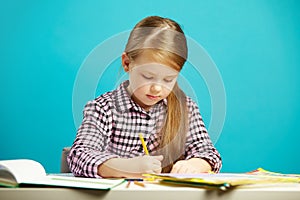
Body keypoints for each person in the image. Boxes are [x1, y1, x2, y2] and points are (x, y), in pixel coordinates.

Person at [67, 16, 222, 178]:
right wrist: (124, 167)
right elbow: (79, 155)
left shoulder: (186, 108)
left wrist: (194, 164)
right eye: (148, 77)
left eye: (168, 79)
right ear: (127, 63)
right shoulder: (103, 109)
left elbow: (209, 153)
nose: (156, 88)